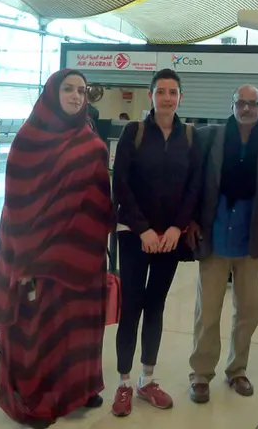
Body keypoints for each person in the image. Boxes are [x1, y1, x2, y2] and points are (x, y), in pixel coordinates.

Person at [0, 69, 114, 429]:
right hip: (36, 260)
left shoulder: (91, 144)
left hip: (79, 261)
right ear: (52, 92)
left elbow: (99, 204)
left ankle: (78, 391)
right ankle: (35, 399)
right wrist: (27, 256)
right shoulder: (27, 141)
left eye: (82, 91)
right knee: (37, 332)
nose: (77, 96)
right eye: (69, 89)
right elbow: (17, 204)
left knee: (77, 330)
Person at [111, 68, 203, 417]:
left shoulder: (190, 137)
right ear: (151, 96)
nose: (167, 97)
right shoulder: (133, 133)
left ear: (180, 97)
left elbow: (194, 185)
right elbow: (121, 184)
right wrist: (143, 230)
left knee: (156, 306)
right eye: (161, 91)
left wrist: (177, 228)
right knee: (131, 306)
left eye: (173, 92)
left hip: (171, 240)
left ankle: (147, 379)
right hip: (136, 236)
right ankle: (123, 383)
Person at [187, 85, 258, 403]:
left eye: (252, 103)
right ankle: (201, 374)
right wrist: (191, 220)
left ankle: (237, 369)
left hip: (250, 238)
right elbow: (194, 183)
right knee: (209, 311)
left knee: (249, 310)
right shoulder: (209, 137)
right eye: (240, 103)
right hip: (214, 236)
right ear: (232, 104)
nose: (246, 108)